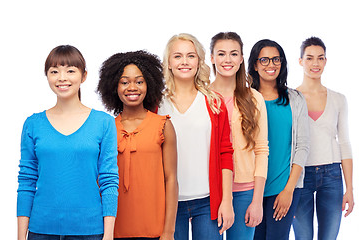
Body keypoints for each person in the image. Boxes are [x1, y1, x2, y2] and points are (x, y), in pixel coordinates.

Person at [17, 45, 119, 240]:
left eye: (70, 70)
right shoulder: (33, 124)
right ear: (47, 76)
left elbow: (109, 180)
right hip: (41, 230)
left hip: (89, 231)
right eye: (54, 71)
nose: (62, 77)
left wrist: (108, 235)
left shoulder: (103, 123)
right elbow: (26, 181)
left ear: (84, 75)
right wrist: (21, 236)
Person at [158, 33, 234, 240]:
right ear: (168, 63)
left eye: (190, 56)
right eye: (178, 56)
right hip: (168, 204)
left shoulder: (213, 103)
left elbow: (226, 152)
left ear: (199, 61)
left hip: (208, 202)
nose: (184, 62)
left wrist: (226, 201)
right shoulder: (156, 104)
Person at [97, 50, 178, 240]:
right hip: (113, 230)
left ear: (149, 84)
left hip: (155, 230)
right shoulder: (106, 128)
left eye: (139, 82)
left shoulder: (163, 125)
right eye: (124, 82)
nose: (132, 87)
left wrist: (169, 231)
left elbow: (171, 179)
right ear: (114, 87)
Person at [293, 37, 354, 240]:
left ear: (326, 61)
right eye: (309, 58)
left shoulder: (338, 99)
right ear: (300, 61)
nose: (315, 63)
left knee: (329, 237)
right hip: (300, 176)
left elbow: (345, 143)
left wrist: (350, 189)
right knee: (303, 236)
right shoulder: (290, 98)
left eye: (320, 58)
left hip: (332, 176)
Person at [248, 39, 310, 240]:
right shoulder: (245, 99)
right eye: (264, 60)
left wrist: (289, 190)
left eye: (276, 59)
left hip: (283, 187)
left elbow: (302, 146)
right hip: (250, 189)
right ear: (255, 65)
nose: (271, 65)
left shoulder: (295, 99)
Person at [209, 32, 269, 240]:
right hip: (210, 191)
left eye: (234, 54)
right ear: (212, 58)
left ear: (242, 58)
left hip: (245, 192)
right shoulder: (203, 97)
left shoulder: (254, 98)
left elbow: (261, 150)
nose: (227, 60)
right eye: (221, 54)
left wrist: (257, 200)